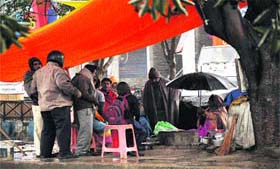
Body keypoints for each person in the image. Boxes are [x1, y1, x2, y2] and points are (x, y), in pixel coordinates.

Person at [30, 50, 81, 159]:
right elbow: (63, 85)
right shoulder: (58, 70)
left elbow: (32, 91)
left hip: (44, 107)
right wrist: (76, 92)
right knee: (63, 129)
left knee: (47, 130)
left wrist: (41, 100)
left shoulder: (38, 72)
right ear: (60, 59)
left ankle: (45, 153)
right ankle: (64, 153)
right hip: (60, 105)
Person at [71, 64, 98, 156]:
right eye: (94, 73)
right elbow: (84, 94)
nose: (94, 75)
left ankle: (84, 149)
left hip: (80, 107)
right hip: (84, 107)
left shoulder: (78, 77)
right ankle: (82, 151)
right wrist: (95, 100)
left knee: (84, 129)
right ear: (92, 72)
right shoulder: (83, 78)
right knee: (86, 129)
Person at [23, 57, 42, 157]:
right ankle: (39, 151)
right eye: (35, 64)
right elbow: (30, 91)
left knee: (46, 129)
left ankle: (46, 150)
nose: (38, 66)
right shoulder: (29, 75)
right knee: (38, 129)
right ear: (31, 66)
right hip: (37, 105)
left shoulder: (42, 74)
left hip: (46, 105)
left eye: (39, 64)